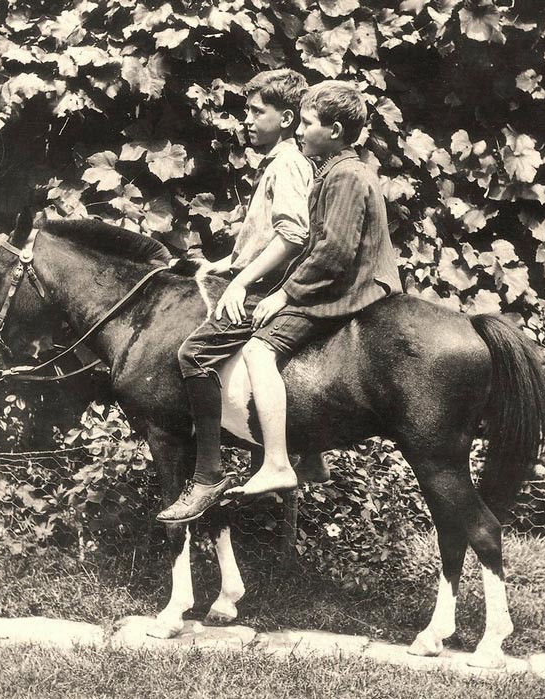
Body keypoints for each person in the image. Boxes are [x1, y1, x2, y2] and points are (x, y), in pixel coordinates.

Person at [226, 80, 403, 498]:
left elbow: (332, 254)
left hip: (352, 287)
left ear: (335, 130)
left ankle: (276, 463)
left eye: (306, 124)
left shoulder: (344, 176)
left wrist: (283, 293)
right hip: (345, 281)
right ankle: (313, 455)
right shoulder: (338, 170)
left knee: (257, 348)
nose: (300, 132)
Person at [156, 69, 313, 523]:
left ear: (286, 118)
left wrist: (242, 282)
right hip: (251, 274)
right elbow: (265, 236)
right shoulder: (279, 162)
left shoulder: (285, 164)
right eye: (246, 111)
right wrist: (226, 264)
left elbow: (292, 235)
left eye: (255, 111)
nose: (245, 120)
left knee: (193, 353)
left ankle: (208, 475)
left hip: (266, 288)